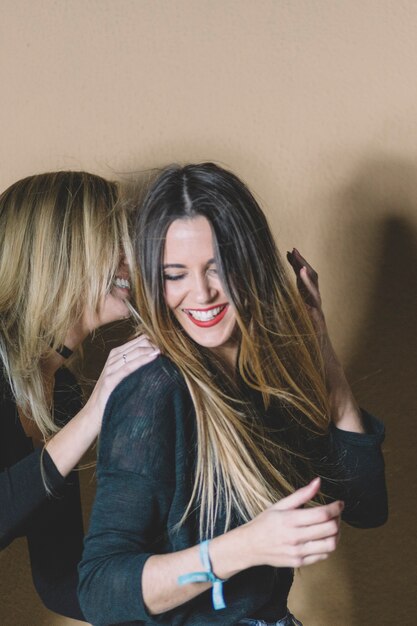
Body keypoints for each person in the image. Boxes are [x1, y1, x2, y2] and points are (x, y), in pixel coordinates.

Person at [79, 163, 387, 626]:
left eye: (218, 268)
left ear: (253, 264)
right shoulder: (155, 390)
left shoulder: (268, 376)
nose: (200, 294)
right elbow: (100, 589)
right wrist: (243, 547)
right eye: (175, 274)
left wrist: (322, 352)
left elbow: (366, 505)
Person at [0, 171, 159, 620]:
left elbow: (62, 581)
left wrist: (195, 597)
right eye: (116, 241)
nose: (135, 258)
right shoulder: (77, 405)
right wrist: (93, 414)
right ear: (58, 255)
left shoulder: (61, 392)